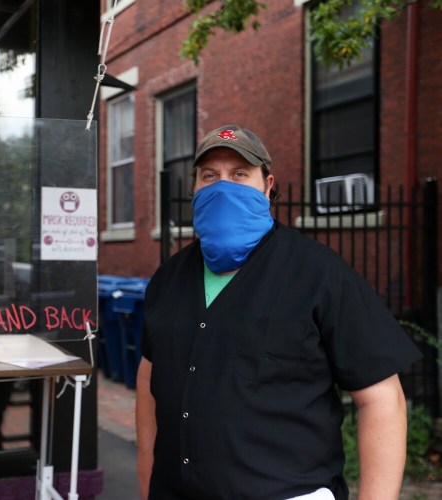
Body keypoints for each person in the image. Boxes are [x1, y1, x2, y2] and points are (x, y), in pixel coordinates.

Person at [135, 125, 422, 499]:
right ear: (194, 189)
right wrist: (146, 482)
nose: (223, 186)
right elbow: (149, 380)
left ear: (268, 186)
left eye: (240, 174)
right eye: (210, 176)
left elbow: (383, 398)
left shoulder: (319, 274)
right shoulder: (169, 278)